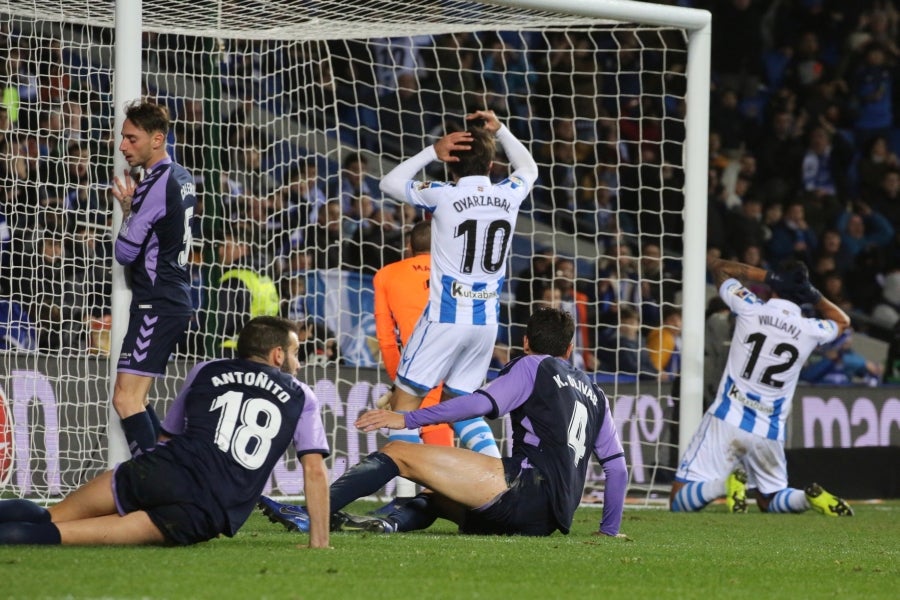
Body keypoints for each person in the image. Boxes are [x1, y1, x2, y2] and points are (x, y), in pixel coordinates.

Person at [259, 307, 628, 538]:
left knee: (400, 451)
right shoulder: (595, 392)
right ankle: (387, 523)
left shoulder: (532, 365)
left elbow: (476, 404)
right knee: (437, 495)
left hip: (524, 489)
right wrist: (608, 530)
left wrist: (408, 416)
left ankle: (312, 513)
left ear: (526, 342)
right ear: (569, 350)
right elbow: (617, 468)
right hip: (550, 519)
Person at [0, 316, 331, 547]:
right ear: (277, 355)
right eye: (296, 352)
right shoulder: (302, 395)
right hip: (201, 510)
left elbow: (167, 437)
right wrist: (319, 542)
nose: (298, 363)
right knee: (62, 535)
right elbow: (314, 471)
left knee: (51, 515)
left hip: (162, 469)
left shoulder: (206, 369)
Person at [375, 109, 539, 459]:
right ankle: (498, 486)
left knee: (403, 406)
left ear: (451, 165)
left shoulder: (442, 194)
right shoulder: (508, 193)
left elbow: (387, 183)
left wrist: (431, 152)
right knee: (459, 404)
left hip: (444, 317)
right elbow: (529, 170)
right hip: (485, 323)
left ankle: (408, 499)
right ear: (492, 165)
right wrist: (502, 131)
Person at [670, 256, 854, 517]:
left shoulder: (750, 307)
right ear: (803, 292)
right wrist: (814, 296)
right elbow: (843, 321)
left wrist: (767, 276)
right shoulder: (810, 329)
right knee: (770, 499)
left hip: (728, 416)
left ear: (775, 285)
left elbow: (720, 269)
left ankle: (724, 485)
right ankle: (806, 498)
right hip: (769, 430)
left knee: (678, 499)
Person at [109, 100, 197, 456]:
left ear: (157, 139)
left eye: (131, 138)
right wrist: (136, 211)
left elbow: (125, 253)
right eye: (122, 138)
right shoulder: (182, 176)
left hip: (156, 303)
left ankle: (154, 484)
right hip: (172, 297)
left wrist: (128, 214)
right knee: (137, 399)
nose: (123, 146)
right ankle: (169, 472)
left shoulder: (154, 184)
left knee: (125, 399)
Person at [372, 220, 454, 502]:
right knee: (448, 424)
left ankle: (408, 500)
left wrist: (400, 383)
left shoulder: (387, 274)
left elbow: (386, 338)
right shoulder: (456, 272)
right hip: (459, 360)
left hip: (417, 363)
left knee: (406, 424)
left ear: (409, 246)